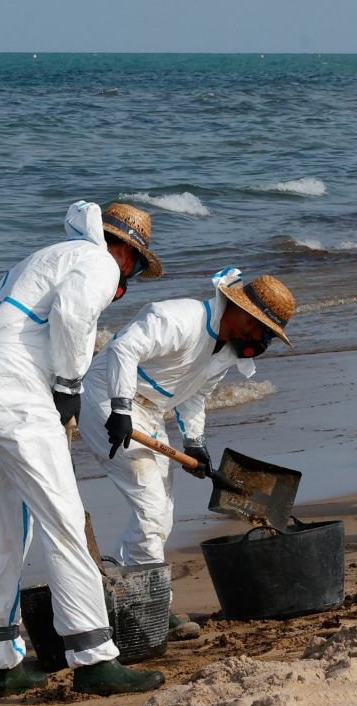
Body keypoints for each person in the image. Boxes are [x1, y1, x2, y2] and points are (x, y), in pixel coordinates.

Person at [0, 200, 166, 701]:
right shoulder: (100, 262)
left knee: (3, 526)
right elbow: (73, 313)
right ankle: (95, 658)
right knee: (61, 521)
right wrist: (68, 385)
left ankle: (5, 663)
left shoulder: (47, 255)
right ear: (126, 252)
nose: (128, 275)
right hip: (11, 388)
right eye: (134, 264)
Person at [77, 269, 295, 638]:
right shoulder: (179, 318)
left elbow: (196, 395)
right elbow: (123, 349)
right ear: (244, 315)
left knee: (161, 512)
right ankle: (153, 605)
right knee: (150, 508)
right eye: (264, 332)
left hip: (149, 412)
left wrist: (195, 441)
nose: (263, 341)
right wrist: (121, 408)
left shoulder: (225, 351)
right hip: (107, 398)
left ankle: (136, 592)